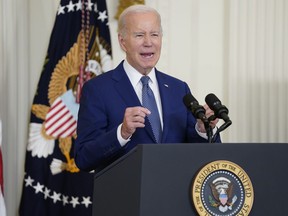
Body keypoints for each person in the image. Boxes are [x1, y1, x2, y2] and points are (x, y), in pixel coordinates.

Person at [75, 4, 221, 172]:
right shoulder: (97, 89)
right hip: (126, 195)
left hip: (173, 193)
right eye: (139, 35)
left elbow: (207, 154)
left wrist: (202, 130)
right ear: (123, 42)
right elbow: (83, 158)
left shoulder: (178, 89)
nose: (148, 42)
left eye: (154, 34)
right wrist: (121, 133)